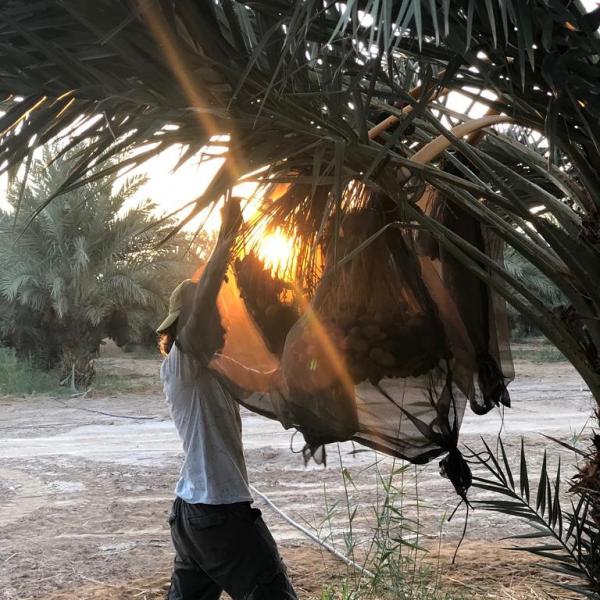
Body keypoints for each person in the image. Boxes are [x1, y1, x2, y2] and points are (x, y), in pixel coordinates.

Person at [157, 199, 297, 600]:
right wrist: (225, 240)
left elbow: (269, 382)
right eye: (213, 317)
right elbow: (201, 309)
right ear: (188, 326)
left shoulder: (216, 367)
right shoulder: (181, 364)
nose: (222, 324)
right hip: (218, 513)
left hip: (195, 514)